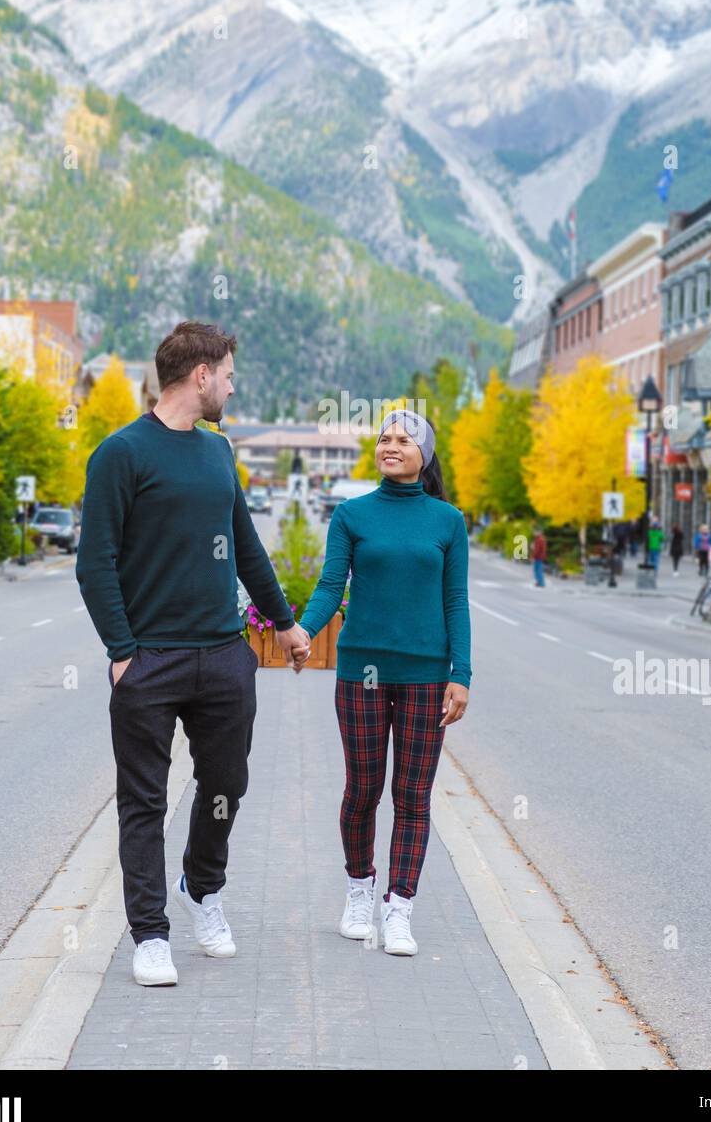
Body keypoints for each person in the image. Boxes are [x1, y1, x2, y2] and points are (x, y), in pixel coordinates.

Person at [76, 322, 309, 987]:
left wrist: (286, 625)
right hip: (149, 662)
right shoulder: (120, 454)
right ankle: (150, 934)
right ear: (200, 374)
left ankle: (202, 888)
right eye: (229, 373)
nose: (233, 385)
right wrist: (124, 655)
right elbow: (95, 566)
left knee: (226, 785)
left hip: (224, 656)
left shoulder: (217, 453)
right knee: (143, 803)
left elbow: (247, 550)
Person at [292, 410, 471, 957]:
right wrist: (301, 630)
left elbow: (455, 602)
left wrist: (459, 676)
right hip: (361, 675)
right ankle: (358, 891)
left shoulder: (448, 522)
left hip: (425, 675)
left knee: (412, 796)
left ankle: (400, 908)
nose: (391, 445)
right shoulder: (350, 515)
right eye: (384, 438)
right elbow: (330, 585)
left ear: (425, 454)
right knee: (363, 789)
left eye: (403, 439)